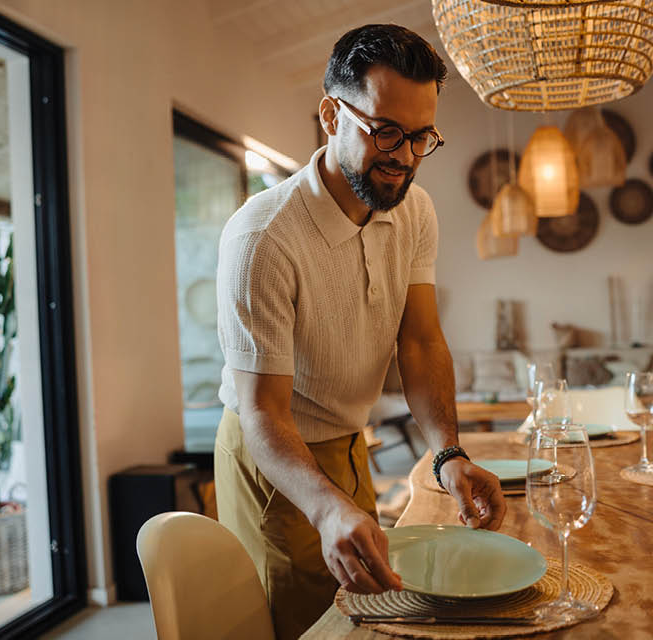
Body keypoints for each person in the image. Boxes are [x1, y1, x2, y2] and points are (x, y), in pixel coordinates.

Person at [214, 24, 506, 639]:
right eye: (385, 131)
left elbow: (420, 342)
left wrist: (448, 454)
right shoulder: (262, 238)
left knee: (368, 618)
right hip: (277, 460)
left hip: (351, 443)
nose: (404, 156)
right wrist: (326, 509)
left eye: (422, 137)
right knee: (307, 627)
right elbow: (262, 411)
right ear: (331, 115)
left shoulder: (415, 210)